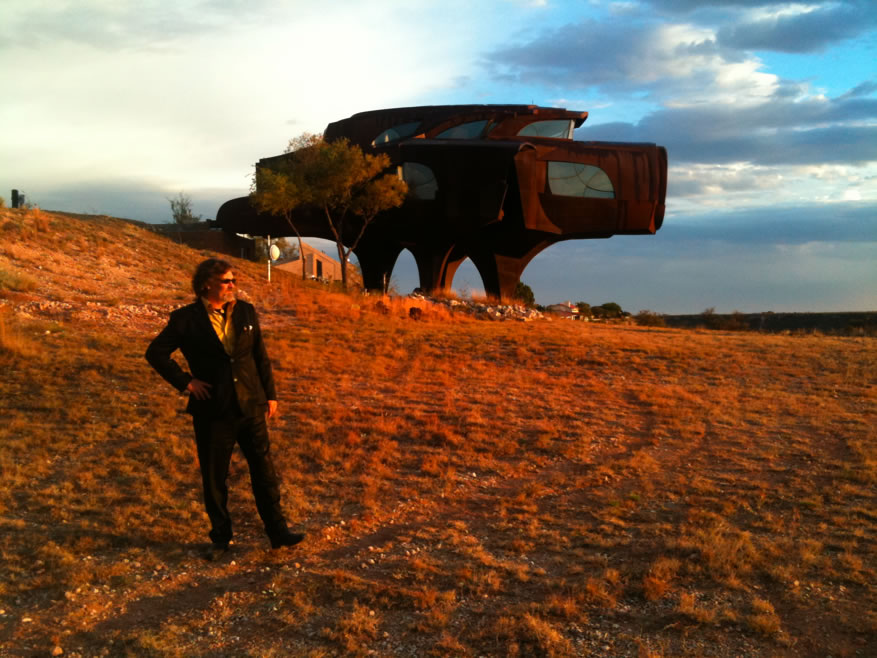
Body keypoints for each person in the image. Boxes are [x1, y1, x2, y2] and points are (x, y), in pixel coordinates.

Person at [146, 258, 303, 558]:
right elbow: (155, 353)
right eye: (226, 281)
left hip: (251, 405)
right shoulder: (185, 319)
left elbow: (259, 355)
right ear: (207, 284)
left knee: (265, 471)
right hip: (213, 410)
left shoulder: (246, 311)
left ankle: (278, 532)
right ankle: (221, 538)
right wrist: (186, 382)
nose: (232, 286)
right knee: (215, 477)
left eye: (233, 280)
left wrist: (270, 395)